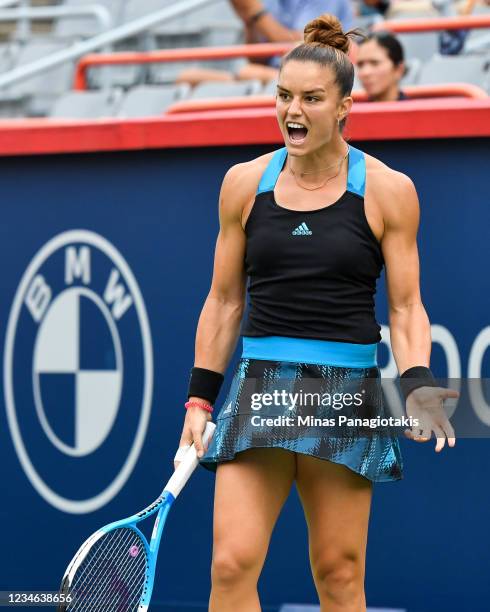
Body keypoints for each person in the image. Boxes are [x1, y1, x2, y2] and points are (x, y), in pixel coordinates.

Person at [176, 13, 458, 611]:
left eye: (310, 98)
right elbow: (224, 300)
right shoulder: (242, 184)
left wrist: (418, 383)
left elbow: (406, 307)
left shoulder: (388, 190)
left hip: (343, 391)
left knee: (337, 575)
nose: (291, 111)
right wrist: (200, 399)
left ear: (344, 107)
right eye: (282, 96)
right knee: (229, 566)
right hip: (261, 388)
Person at [176, 0, 354, 86]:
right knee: (188, 76)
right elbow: (256, 59)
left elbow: (306, 46)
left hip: (319, 74)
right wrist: (248, 20)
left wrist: (256, 13)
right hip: (271, 73)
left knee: (247, 73)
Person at [356, 31, 409, 101]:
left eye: (375, 63)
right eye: (360, 65)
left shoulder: (420, 110)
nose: (365, 72)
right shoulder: (351, 110)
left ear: (399, 69)